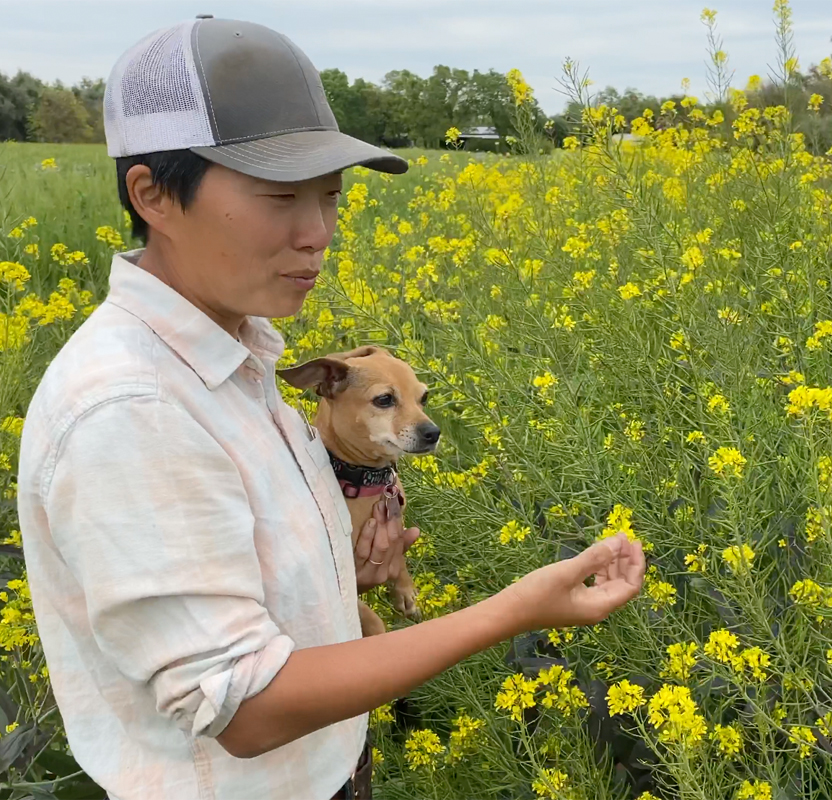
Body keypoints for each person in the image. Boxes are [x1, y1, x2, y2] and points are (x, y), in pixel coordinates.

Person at [16, 16, 645, 800]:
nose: (318, 234)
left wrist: (341, 575)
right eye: (281, 196)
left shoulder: (238, 359)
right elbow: (243, 705)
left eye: (330, 197)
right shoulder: (132, 407)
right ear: (152, 196)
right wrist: (513, 611)